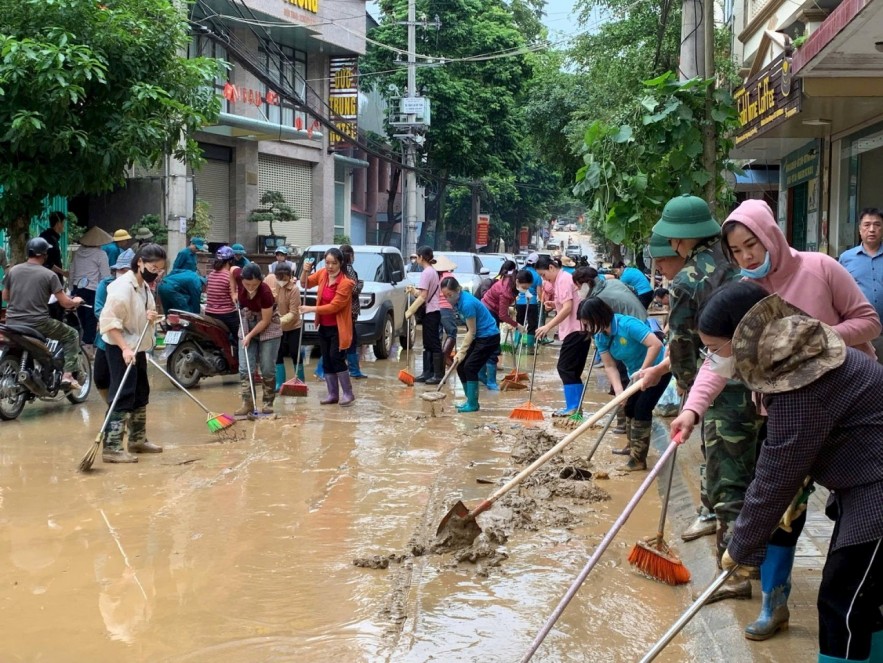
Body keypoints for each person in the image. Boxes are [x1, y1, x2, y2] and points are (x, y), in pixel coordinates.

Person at [669, 197, 882, 636]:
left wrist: (815, 343)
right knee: (795, 523)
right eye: (737, 251)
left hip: (841, 421)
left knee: (844, 587)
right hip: (814, 425)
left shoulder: (820, 269)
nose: (747, 256)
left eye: (752, 244)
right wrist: (692, 409)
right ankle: (774, 600)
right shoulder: (747, 293)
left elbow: (867, 321)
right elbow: (718, 360)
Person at [694, 282, 883, 663]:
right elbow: (785, 461)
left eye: (714, 350)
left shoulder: (801, 384)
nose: (711, 360)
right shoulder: (795, 357)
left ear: (745, 340)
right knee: (861, 598)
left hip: (876, 486)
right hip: (863, 480)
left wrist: (742, 545)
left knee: (842, 602)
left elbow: (776, 472)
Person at [646, 194, 764, 604]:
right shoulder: (740, 261)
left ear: (679, 241)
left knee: (729, 480)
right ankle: (758, 559)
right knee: (758, 475)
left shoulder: (686, 281)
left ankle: (733, 576)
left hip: (723, 390)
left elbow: (680, 343)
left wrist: (687, 393)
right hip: (765, 385)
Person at [579, 297, 671, 471]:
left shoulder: (627, 324)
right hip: (634, 374)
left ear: (598, 316)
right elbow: (610, 365)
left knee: (642, 409)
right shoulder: (600, 336)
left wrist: (644, 370)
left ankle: (638, 459)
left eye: (588, 323)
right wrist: (620, 391)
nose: (588, 328)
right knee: (628, 407)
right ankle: (632, 446)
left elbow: (655, 345)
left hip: (658, 369)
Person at [97, 244, 166, 463]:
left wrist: (150, 315)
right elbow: (109, 322)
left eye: (160, 270)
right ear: (140, 263)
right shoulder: (122, 287)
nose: (156, 273)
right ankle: (112, 447)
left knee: (140, 391)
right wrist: (125, 348)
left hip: (138, 347)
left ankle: (137, 439)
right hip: (121, 347)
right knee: (122, 392)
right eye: (154, 268)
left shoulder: (143, 286)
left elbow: (136, 315)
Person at [573, 265, 646, 437]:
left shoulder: (601, 297)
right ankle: (624, 421)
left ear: (586, 283)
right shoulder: (607, 283)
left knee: (622, 377)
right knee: (619, 375)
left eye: (578, 286)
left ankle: (622, 421)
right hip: (636, 323)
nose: (577, 290)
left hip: (632, 333)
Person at [3, 238, 84, 389]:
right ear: (44, 254)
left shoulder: (13, 271)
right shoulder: (49, 275)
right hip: (38, 323)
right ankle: (67, 376)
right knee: (72, 334)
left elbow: (5, 297)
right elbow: (65, 302)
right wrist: (76, 301)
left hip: (12, 322)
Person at [535, 255, 591, 416]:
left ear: (551, 268)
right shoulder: (561, 279)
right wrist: (554, 304)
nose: (543, 278)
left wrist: (548, 326)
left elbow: (567, 309)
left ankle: (573, 407)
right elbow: (567, 304)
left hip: (576, 329)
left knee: (565, 368)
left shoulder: (564, 279)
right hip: (576, 329)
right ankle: (576, 408)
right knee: (572, 370)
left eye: (543, 275)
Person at [301, 248, 356, 406]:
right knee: (326, 360)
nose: (330, 266)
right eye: (327, 263)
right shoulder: (323, 274)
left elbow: (334, 307)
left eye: (334, 263)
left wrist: (311, 309)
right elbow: (304, 283)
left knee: (336, 358)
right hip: (324, 326)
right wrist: (305, 271)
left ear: (340, 263)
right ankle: (333, 394)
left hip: (339, 328)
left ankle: (348, 393)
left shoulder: (346, 283)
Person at [440, 276, 500, 413]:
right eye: (445, 296)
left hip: (488, 337)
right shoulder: (458, 302)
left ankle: (473, 404)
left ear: (458, 290)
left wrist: (461, 351)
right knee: (460, 366)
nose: (448, 298)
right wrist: (462, 353)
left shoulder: (466, 304)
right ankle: (470, 400)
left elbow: (471, 331)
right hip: (479, 336)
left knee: (470, 367)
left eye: (450, 295)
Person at [232, 263, 283, 415]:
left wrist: (249, 335)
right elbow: (231, 271)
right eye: (247, 284)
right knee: (245, 366)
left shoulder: (266, 293)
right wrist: (233, 293)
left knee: (267, 367)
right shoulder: (238, 275)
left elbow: (265, 321)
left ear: (261, 281)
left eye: (255, 284)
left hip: (267, 324)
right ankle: (247, 403)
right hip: (247, 320)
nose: (251, 287)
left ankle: (268, 403)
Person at [838, 207, 883, 361]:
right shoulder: (846, 258)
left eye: (877, 225)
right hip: (859, 335)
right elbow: (838, 294)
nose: (872, 229)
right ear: (859, 229)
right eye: (867, 225)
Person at [93, 249, 134, 401]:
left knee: (122, 382)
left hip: (130, 341)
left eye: (127, 270)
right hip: (107, 337)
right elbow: (98, 309)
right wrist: (112, 321)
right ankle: (111, 407)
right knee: (100, 378)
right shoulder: (106, 285)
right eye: (120, 270)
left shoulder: (139, 289)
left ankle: (122, 413)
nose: (123, 273)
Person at [404, 246, 444, 384]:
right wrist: (413, 290)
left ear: (421, 257)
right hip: (431, 311)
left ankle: (438, 375)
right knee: (428, 343)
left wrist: (410, 311)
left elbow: (423, 297)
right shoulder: (431, 272)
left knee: (433, 343)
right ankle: (427, 373)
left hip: (432, 311)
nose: (416, 259)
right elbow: (423, 294)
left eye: (417, 256)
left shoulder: (427, 273)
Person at [479, 260, 521, 391]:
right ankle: (490, 380)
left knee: (486, 345)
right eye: (525, 287)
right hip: (488, 313)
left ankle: (482, 374)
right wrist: (516, 324)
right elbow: (503, 315)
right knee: (493, 346)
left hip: (490, 311)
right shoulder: (505, 290)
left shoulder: (509, 280)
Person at [70, 226, 112, 349]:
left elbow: (72, 271)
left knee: (82, 316)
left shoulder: (78, 253)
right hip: (93, 290)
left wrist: (71, 288)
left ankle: (84, 344)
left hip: (78, 288)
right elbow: (105, 275)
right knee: (91, 318)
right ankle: (88, 346)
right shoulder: (101, 254)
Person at [266, 263, 302, 391]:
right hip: (279, 327)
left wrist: (278, 321)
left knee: (294, 353)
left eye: (284, 278)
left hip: (293, 326)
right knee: (278, 353)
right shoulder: (275, 284)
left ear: (289, 276)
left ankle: (299, 380)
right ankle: (280, 382)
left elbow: (293, 312)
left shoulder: (294, 290)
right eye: (279, 277)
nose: (281, 281)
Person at [339, 244, 367, 379]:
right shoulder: (348, 269)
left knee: (342, 339)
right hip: (350, 310)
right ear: (350, 255)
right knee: (350, 340)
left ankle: (326, 369)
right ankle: (354, 371)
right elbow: (353, 289)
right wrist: (360, 284)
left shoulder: (337, 270)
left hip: (340, 309)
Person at [204, 246, 240, 343]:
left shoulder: (211, 275)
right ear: (230, 261)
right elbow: (235, 297)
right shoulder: (229, 276)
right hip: (226, 315)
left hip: (209, 313)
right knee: (240, 337)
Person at [433, 254, 458, 364]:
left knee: (438, 335)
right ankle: (445, 356)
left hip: (436, 308)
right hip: (446, 308)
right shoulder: (449, 277)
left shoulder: (435, 276)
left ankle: (437, 361)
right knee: (452, 332)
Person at [515, 252, 542, 351]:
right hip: (532, 303)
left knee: (519, 323)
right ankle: (530, 347)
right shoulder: (537, 275)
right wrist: (542, 300)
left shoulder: (520, 272)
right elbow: (539, 292)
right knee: (532, 325)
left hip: (519, 303)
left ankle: (516, 344)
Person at [39, 211, 67, 281]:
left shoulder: (50, 237)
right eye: (63, 223)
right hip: (49, 280)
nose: (64, 226)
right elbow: (47, 262)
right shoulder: (49, 238)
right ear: (58, 223)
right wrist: (63, 272)